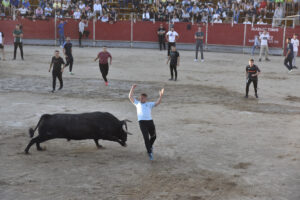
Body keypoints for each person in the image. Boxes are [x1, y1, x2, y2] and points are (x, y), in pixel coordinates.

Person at [128, 84, 164, 161]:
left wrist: (160, 96)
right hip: (142, 122)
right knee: (146, 138)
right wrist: (132, 88)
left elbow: (158, 102)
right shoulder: (137, 103)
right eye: (141, 98)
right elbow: (130, 97)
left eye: (143, 98)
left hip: (150, 122)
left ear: (146, 99)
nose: (141, 99)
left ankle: (150, 146)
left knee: (154, 136)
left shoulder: (149, 104)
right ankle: (149, 152)